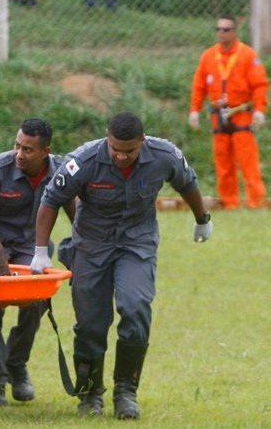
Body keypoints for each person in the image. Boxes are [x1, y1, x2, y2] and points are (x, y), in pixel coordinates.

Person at [30, 111, 213, 420]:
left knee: (136, 306)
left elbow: (188, 182)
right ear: (107, 137)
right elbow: (51, 200)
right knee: (91, 322)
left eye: (129, 150)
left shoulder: (164, 155)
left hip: (136, 243)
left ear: (142, 141)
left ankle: (126, 391)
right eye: (115, 148)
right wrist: (39, 252)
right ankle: (90, 393)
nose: (121, 156)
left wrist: (202, 220)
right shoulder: (84, 160)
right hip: (91, 245)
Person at [0, 118, 75, 407]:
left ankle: (15, 363)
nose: (19, 153)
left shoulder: (61, 171)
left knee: (37, 300)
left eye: (28, 149)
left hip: (33, 247)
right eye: (17, 145)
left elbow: (75, 213)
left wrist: (82, 251)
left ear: (45, 152)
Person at [188, 16, 268, 209]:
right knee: (223, 163)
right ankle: (229, 202)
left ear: (234, 32)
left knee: (248, 162)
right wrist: (194, 110)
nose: (221, 33)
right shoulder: (208, 56)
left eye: (226, 30)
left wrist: (259, 110)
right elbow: (199, 86)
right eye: (219, 29)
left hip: (241, 113)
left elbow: (259, 85)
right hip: (219, 116)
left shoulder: (247, 55)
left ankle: (256, 202)